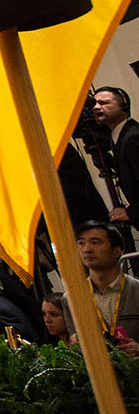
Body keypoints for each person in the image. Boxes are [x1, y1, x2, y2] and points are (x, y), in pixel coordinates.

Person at [76, 220, 139, 355]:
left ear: (117, 251)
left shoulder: (136, 290)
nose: (87, 249)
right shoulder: (73, 298)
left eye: (95, 242)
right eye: (81, 243)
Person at [95, 87, 139, 222]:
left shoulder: (134, 137)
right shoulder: (119, 137)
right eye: (94, 104)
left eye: (104, 103)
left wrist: (132, 213)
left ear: (124, 106)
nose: (97, 107)